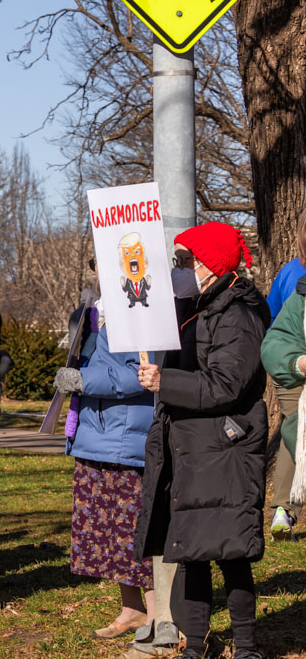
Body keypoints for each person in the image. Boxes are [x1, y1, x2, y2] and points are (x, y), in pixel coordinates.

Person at [135, 222, 269, 659]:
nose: (181, 269)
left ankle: (246, 646)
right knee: (193, 549)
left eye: (187, 261)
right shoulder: (196, 307)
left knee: (231, 551)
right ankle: (197, 646)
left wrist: (165, 381)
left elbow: (227, 383)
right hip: (191, 445)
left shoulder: (239, 314)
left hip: (224, 448)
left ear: (212, 266)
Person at [53, 308, 155, 639]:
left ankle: (157, 614)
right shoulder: (96, 312)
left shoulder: (141, 311)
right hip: (95, 436)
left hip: (125, 438)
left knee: (135, 534)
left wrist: (83, 380)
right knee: (110, 534)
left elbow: (139, 374)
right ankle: (132, 609)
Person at [262, 210, 306, 539]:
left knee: (294, 433)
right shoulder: (292, 274)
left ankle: (284, 509)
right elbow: (274, 322)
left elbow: (269, 314)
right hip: (293, 361)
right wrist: (294, 361)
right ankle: (284, 509)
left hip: (290, 359)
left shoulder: (287, 270)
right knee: (296, 429)